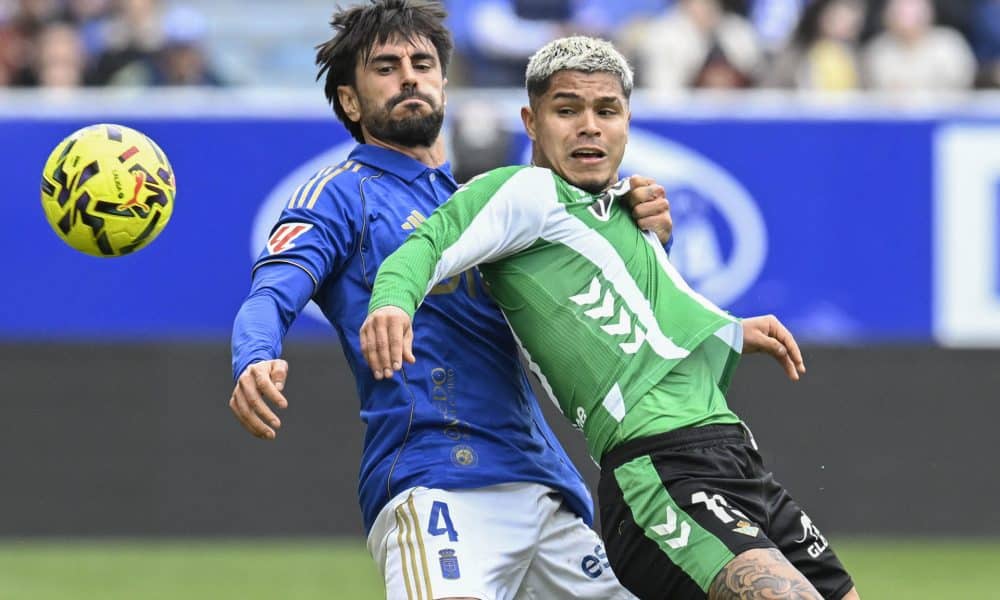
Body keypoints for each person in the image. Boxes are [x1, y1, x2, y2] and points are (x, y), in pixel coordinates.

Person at [361, 36, 861, 600]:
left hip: (735, 459)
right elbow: (427, 243)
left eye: (606, 111)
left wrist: (729, 329)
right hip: (658, 473)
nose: (589, 127)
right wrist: (391, 304)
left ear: (627, 119)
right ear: (532, 121)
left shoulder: (624, 211)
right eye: (567, 110)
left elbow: (634, 313)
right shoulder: (524, 193)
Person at [229, 2, 672, 598]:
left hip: (548, 492)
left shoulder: (489, 201)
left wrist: (646, 234)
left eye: (423, 62)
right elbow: (270, 292)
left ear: (444, 82)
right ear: (351, 102)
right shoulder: (339, 194)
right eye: (385, 67)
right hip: (439, 484)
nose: (409, 75)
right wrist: (254, 355)